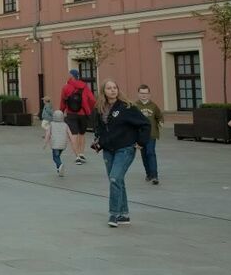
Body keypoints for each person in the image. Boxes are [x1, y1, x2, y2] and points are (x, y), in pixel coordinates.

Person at [93, 80, 151, 228]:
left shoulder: (126, 107)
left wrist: (141, 142)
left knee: (114, 178)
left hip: (125, 149)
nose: (112, 90)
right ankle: (124, 214)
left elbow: (145, 124)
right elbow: (100, 129)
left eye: (115, 88)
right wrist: (99, 142)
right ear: (103, 91)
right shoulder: (100, 109)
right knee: (117, 181)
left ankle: (114, 213)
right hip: (108, 150)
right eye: (109, 88)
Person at [59, 69, 96, 165]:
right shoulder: (84, 86)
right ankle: (82, 153)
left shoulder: (65, 87)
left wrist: (61, 112)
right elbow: (92, 99)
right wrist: (89, 109)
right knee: (82, 133)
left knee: (73, 135)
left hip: (71, 114)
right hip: (83, 113)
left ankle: (77, 156)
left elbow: (63, 101)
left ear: (71, 76)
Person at [134, 84, 163, 184]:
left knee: (150, 153)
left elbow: (159, 116)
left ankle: (154, 176)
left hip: (152, 134)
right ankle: (148, 174)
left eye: (146, 93)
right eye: (142, 93)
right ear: (138, 94)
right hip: (140, 135)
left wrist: (160, 122)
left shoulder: (153, 106)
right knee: (144, 155)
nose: (144, 95)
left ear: (149, 94)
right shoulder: (135, 106)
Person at [44, 110, 71, 177]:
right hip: (63, 145)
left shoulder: (51, 124)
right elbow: (70, 134)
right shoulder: (65, 125)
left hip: (55, 144)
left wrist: (45, 143)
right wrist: (72, 141)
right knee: (58, 156)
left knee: (55, 157)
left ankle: (60, 165)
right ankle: (59, 170)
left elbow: (48, 134)